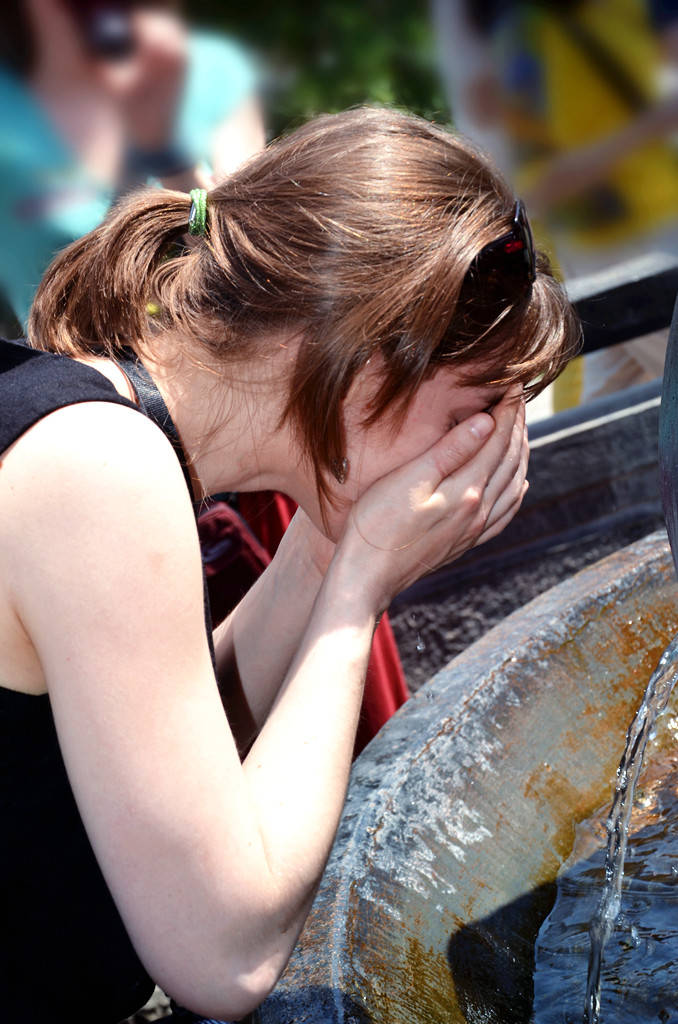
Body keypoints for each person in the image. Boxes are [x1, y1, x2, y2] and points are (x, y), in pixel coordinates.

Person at [0, 106, 576, 1022]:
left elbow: (184, 767)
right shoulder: (96, 467)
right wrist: (359, 591)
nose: (487, 442)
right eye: (479, 404)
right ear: (367, 366)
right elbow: (223, 954)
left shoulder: (92, 426)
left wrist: (324, 550)